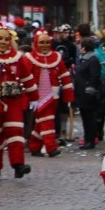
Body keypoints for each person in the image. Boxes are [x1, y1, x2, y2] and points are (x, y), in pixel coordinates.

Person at [0, 25, 38, 180]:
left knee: (15, 132)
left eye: (6, 39)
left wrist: (34, 96)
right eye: (0, 38)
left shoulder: (17, 57)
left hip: (14, 100)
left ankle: (18, 165)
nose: (3, 42)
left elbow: (27, 77)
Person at [24, 29, 74, 157]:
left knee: (42, 121)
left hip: (54, 95)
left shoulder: (56, 57)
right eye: (42, 42)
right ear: (36, 43)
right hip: (36, 96)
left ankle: (34, 146)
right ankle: (51, 147)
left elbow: (64, 75)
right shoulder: (29, 58)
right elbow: (25, 77)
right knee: (47, 120)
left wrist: (69, 94)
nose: (45, 45)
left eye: (47, 42)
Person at [72, 37, 103, 151]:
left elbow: (94, 76)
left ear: (84, 48)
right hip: (81, 92)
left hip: (88, 93)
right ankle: (87, 139)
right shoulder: (83, 59)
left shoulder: (92, 59)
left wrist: (90, 89)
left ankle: (90, 140)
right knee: (85, 117)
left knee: (90, 118)